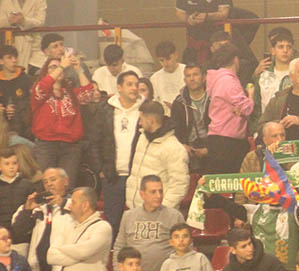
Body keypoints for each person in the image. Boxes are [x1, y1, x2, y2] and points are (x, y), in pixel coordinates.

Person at [10, 168, 69, 271]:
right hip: (40, 269)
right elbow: (18, 231)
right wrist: (28, 209)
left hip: (64, 268)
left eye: (53, 179)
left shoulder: (73, 204)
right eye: (45, 181)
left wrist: (62, 204)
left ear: (65, 182)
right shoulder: (37, 206)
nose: (49, 184)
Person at [93, 71, 144, 238]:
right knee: (113, 222)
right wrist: (100, 168)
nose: (134, 88)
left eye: (136, 84)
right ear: (119, 87)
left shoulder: (146, 108)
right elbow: (94, 141)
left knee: (139, 221)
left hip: (137, 175)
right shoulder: (104, 109)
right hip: (112, 175)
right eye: (129, 84)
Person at [30, 54, 94, 188]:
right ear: (45, 72)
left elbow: (88, 96)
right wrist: (62, 66)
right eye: (52, 67)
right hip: (46, 146)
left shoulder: (71, 93)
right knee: (45, 186)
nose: (58, 69)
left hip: (70, 147)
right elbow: (41, 87)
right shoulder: (39, 92)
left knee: (67, 186)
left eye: (59, 67)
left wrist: (78, 69)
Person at [115, 175, 185, 271]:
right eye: (153, 192)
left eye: (160, 191)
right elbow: (119, 247)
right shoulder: (128, 216)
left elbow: (185, 249)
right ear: (142, 194)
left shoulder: (175, 216)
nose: (158, 195)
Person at [125, 101, 189, 210]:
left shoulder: (173, 147)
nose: (139, 123)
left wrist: (161, 210)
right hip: (136, 210)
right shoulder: (142, 138)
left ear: (151, 121)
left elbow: (179, 185)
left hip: (159, 216)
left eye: (141, 119)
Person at [205, 43, 253, 174]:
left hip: (220, 138)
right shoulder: (228, 81)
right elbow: (247, 108)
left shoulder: (218, 79)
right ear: (236, 59)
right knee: (226, 184)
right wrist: (251, 95)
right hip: (227, 141)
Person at [171, 63, 210, 173]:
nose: (192, 79)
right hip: (188, 149)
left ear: (204, 77)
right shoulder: (179, 103)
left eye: (195, 75)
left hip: (211, 147)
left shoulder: (214, 98)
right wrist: (183, 146)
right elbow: (174, 130)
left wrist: (210, 149)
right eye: (188, 76)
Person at [175, 0, 231, 65]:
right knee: (191, 71)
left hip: (217, 41)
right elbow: (180, 12)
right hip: (194, 42)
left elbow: (224, 13)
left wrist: (207, 16)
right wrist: (188, 19)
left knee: (220, 67)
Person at [255, 27, 294, 113]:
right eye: (280, 47)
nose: (285, 50)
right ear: (273, 51)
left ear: (292, 51)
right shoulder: (263, 75)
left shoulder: (297, 74)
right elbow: (256, 105)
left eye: (289, 47)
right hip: (267, 123)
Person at [0, 0, 46, 71]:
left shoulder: (39, 1)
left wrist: (23, 21)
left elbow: (40, 21)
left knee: (37, 68)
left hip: (33, 44)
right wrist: (10, 21)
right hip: (11, 42)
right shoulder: (5, 1)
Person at [0, 45, 33, 140]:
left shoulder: (27, 80)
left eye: (15, 57)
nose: (14, 60)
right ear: (1, 61)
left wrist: (17, 108)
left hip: (24, 129)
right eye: (9, 57)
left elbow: (34, 103)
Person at [0, 148, 32, 234]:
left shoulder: (27, 184)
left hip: (23, 234)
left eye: (14, 163)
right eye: (7, 164)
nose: (11, 167)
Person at [150, 41, 185, 111]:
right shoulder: (155, 78)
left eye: (168, 59)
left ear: (176, 55)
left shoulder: (187, 72)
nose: (165, 63)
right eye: (161, 60)